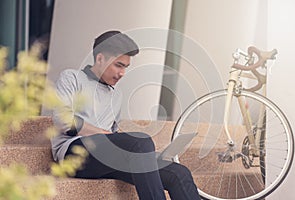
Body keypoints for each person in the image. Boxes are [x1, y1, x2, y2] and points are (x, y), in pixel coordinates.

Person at [51, 30, 202, 200]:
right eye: (118, 65)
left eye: (125, 67)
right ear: (100, 58)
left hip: (106, 157)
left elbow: (113, 139)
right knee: (140, 141)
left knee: (178, 173)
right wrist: (107, 135)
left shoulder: (116, 95)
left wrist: (147, 156)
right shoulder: (72, 78)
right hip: (74, 154)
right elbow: (63, 121)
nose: (122, 73)